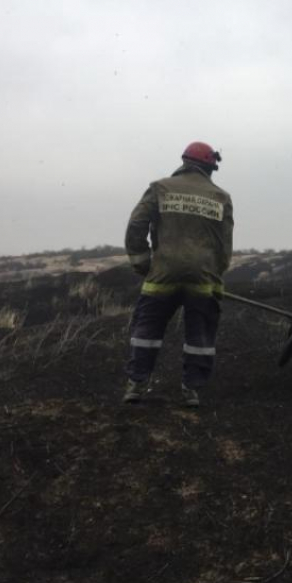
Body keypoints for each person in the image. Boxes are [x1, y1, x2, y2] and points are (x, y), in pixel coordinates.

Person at [122, 142, 234, 406]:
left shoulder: (159, 188)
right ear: (209, 166)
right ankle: (191, 391)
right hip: (202, 279)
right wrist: (216, 275)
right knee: (200, 335)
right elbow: (224, 244)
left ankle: (136, 385)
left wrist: (142, 263)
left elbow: (136, 225)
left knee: (147, 330)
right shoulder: (221, 197)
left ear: (184, 161)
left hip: (162, 275)